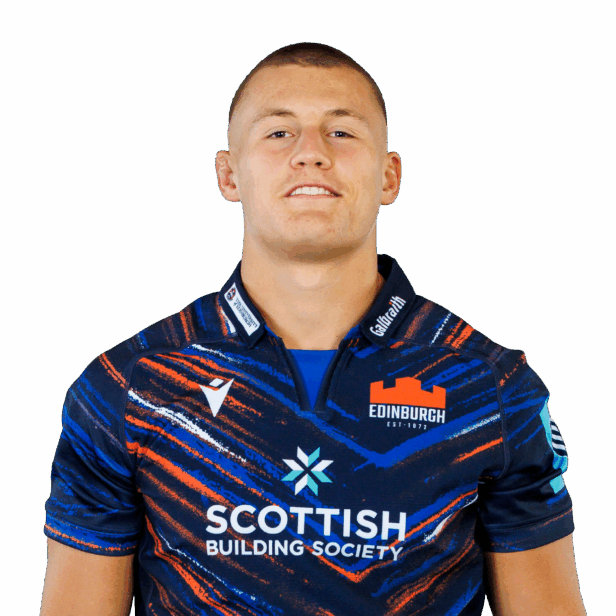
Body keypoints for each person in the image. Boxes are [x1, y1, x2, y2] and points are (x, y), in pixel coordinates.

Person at [40, 42, 586, 616]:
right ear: (228, 174)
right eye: (279, 133)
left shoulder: (490, 385)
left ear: (389, 177)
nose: (311, 154)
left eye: (341, 132)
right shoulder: (128, 384)